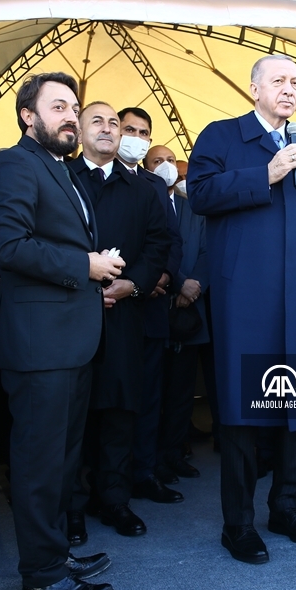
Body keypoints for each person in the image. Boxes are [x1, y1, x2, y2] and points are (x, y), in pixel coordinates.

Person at [0, 73, 123, 590]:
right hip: (40, 347)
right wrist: (85, 266)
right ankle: (42, 576)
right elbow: (10, 246)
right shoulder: (12, 163)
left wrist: (92, 277)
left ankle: (56, 555)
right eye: (58, 106)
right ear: (28, 115)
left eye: (73, 107)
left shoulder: (58, 168)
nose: (70, 116)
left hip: (70, 342)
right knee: (40, 467)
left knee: (62, 462)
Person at [187, 54, 296, 564]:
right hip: (244, 299)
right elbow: (199, 194)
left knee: (294, 405)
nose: (289, 89)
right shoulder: (222, 136)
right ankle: (239, 524)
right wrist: (264, 174)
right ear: (254, 88)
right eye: (279, 81)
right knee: (243, 409)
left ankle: (285, 508)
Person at [68, 102, 172, 539]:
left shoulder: (142, 188)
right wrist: (85, 284)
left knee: (119, 412)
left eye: (115, 123)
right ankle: (72, 509)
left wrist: (133, 285)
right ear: (78, 131)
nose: (109, 129)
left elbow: (158, 244)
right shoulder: (61, 178)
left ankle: (114, 499)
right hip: (70, 316)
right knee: (72, 417)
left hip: (125, 316)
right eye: (98, 121)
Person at [115, 107, 184, 506]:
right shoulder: (86, 177)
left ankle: (144, 472)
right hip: (110, 306)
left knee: (148, 396)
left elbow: (171, 240)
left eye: (144, 132)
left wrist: (164, 276)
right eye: (130, 129)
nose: (137, 138)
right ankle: (106, 482)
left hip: (152, 308)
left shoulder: (156, 185)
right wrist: (135, 279)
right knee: (110, 400)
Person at [144, 144, 209, 483]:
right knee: (153, 391)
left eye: (171, 160)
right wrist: (180, 283)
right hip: (156, 308)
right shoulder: (144, 201)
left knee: (182, 391)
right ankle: (151, 459)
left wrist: (195, 284)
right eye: (158, 161)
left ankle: (175, 452)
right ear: (146, 167)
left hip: (190, 314)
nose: (167, 166)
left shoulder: (193, 207)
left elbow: (209, 251)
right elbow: (154, 252)